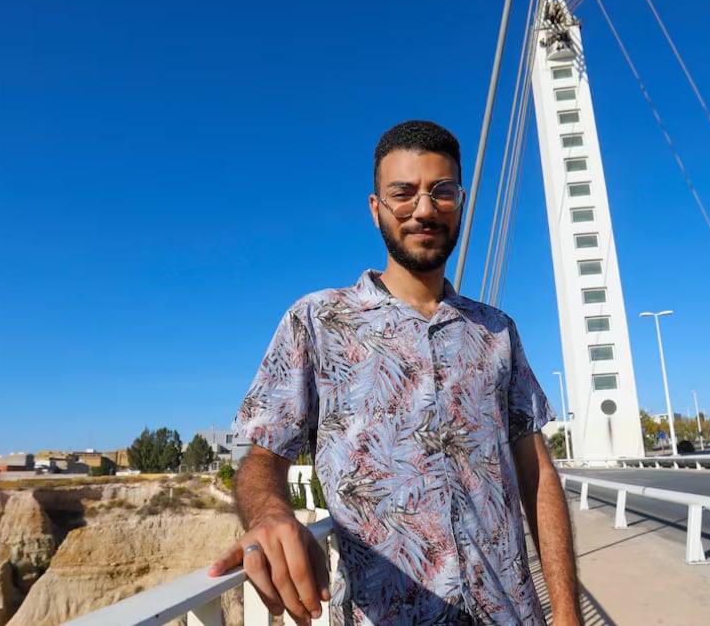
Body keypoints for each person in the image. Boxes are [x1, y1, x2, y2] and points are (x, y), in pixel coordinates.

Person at [209, 120, 582, 625]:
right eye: (403, 193)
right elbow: (261, 459)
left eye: (441, 192)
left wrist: (566, 614)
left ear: (461, 202)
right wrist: (270, 514)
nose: (424, 209)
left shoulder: (497, 331)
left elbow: (536, 475)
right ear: (376, 207)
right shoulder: (317, 321)